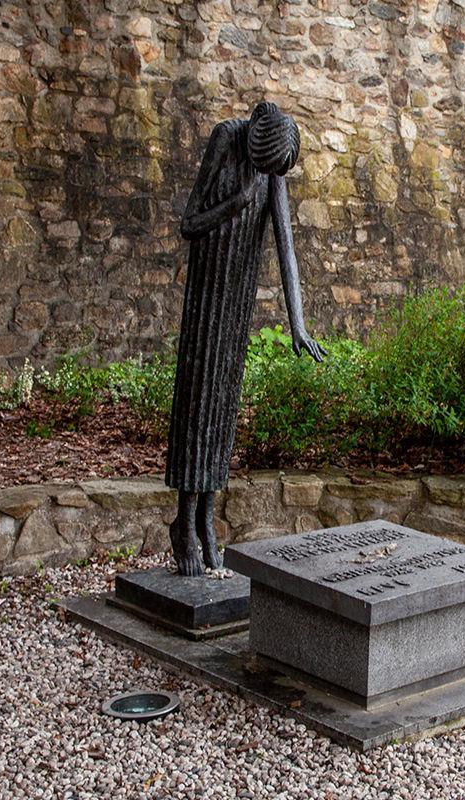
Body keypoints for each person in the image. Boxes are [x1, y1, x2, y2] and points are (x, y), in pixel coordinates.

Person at [166, 101, 326, 576]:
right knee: (197, 407)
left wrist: (298, 324)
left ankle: (207, 520)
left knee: (221, 410)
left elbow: (285, 245)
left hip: (236, 300)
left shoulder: (271, 167)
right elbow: (190, 223)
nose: (268, 175)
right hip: (205, 298)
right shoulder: (226, 138)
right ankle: (184, 521)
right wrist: (235, 203)